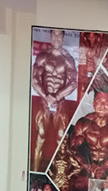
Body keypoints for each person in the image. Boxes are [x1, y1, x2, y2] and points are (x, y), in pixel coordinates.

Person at [31, 29, 77, 171]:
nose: (56, 38)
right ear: (50, 37)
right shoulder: (43, 57)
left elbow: (73, 83)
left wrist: (56, 97)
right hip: (44, 100)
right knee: (41, 134)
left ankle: (59, 177)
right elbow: (34, 79)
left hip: (60, 102)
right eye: (54, 35)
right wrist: (46, 96)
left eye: (59, 35)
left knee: (61, 137)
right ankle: (35, 172)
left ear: (63, 38)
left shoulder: (68, 59)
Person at [69, 91, 108, 181]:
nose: (102, 106)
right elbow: (72, 148)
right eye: (99, 101)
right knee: (77, 183)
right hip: (85, 166)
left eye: (106, 102)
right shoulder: (84, 123)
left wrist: (104, 166)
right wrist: (87, 166)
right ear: (94, 104)